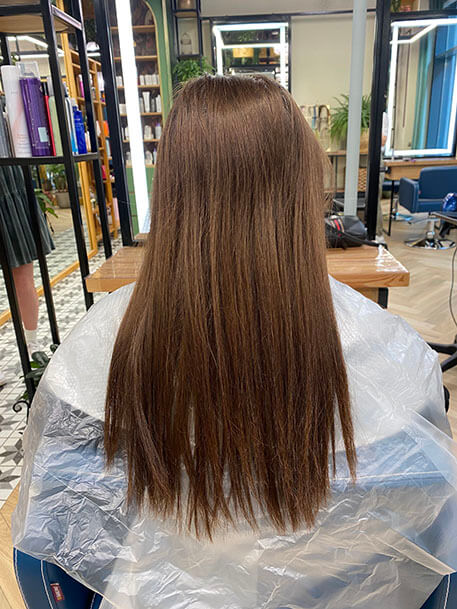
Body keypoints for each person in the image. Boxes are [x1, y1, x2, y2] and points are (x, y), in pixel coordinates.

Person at [12, 75, 457, 609]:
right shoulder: (393, 356)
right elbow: (438, 555)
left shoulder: (96, 348)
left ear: (169, 191)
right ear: (303, 192)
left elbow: (46, 556)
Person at [0, 165, 54, 383]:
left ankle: (32, 343)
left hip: (10, 178)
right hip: (11, 175)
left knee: (23, 274)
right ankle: (32, 344)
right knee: (23, 275)